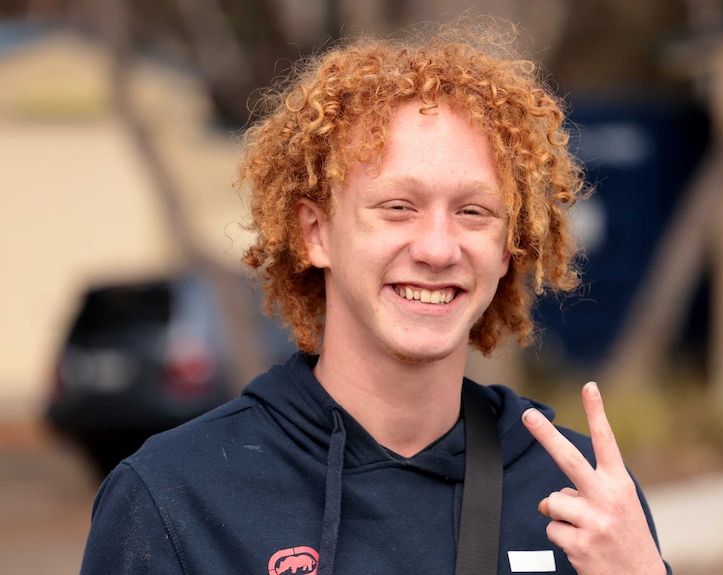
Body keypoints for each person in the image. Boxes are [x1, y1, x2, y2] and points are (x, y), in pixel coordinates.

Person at [81, 19, 671, 575]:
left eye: (474, 212)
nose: (438, 249)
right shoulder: (173, 497)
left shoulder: (584, 502)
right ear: (315, 234)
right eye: (397, 207)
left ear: (508, 250)